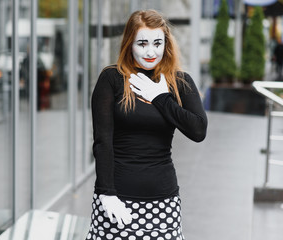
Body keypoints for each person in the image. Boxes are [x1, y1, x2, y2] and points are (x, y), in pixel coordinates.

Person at [86, 9, 208, 240]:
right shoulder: (112, 79)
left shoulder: (179, 82)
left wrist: (161, 98)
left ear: (166, 44)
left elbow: (198, 130)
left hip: (163, 200)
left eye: (157, 43)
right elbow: (103, 141)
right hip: (117, 197)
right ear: (129, 44)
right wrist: (106, 193)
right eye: (142, 43)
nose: (150, 51)